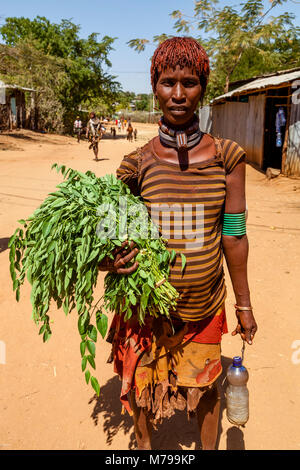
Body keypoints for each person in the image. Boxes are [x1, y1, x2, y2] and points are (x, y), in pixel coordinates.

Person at [99, 37, 257, 450]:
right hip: (147, 310)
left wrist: (243, 304)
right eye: (168, 82)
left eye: (189, 82)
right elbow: (108, 236)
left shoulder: (227, 157)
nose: (179, 94)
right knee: (141, 388)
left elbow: (234, 234)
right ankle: (146, 447)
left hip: (203, 306)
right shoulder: (136, 164)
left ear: (203, 86)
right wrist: (112, 261)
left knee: (206, 392)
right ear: (154, 86)